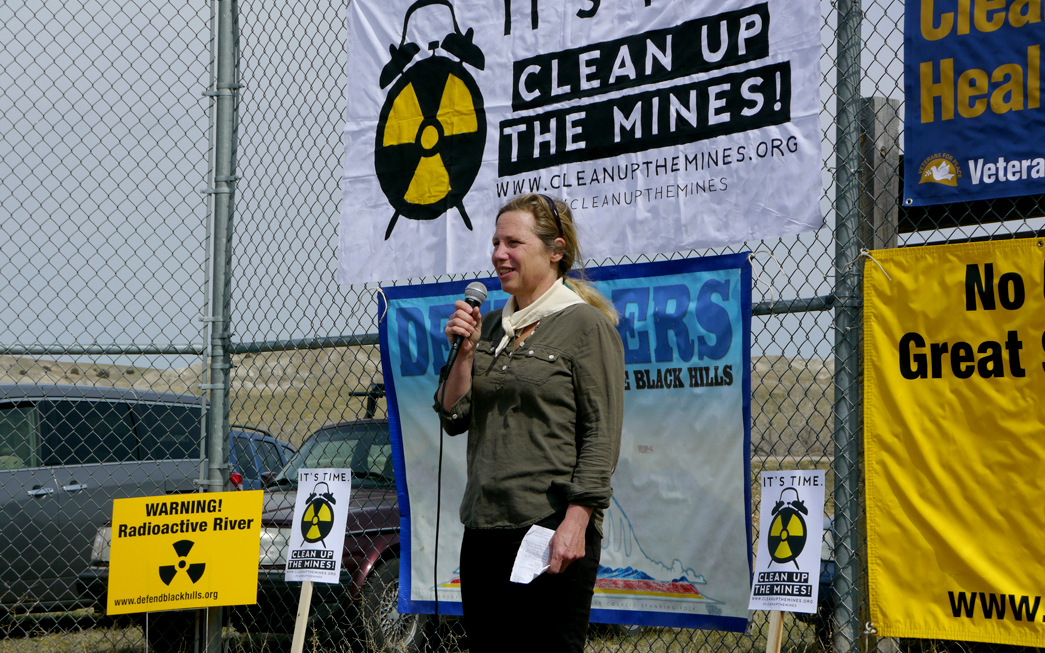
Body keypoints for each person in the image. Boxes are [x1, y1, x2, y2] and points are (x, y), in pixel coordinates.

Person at [436, 193, 625, 653]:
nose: (499, 254)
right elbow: (452, 414)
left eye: (514, 243)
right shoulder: (492, 327)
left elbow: (601, 434)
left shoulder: (585, 327)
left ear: (555, 250)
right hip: (483, 527)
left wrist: (577, 520)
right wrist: (465, 351)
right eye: (496, 242)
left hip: (548, 525)